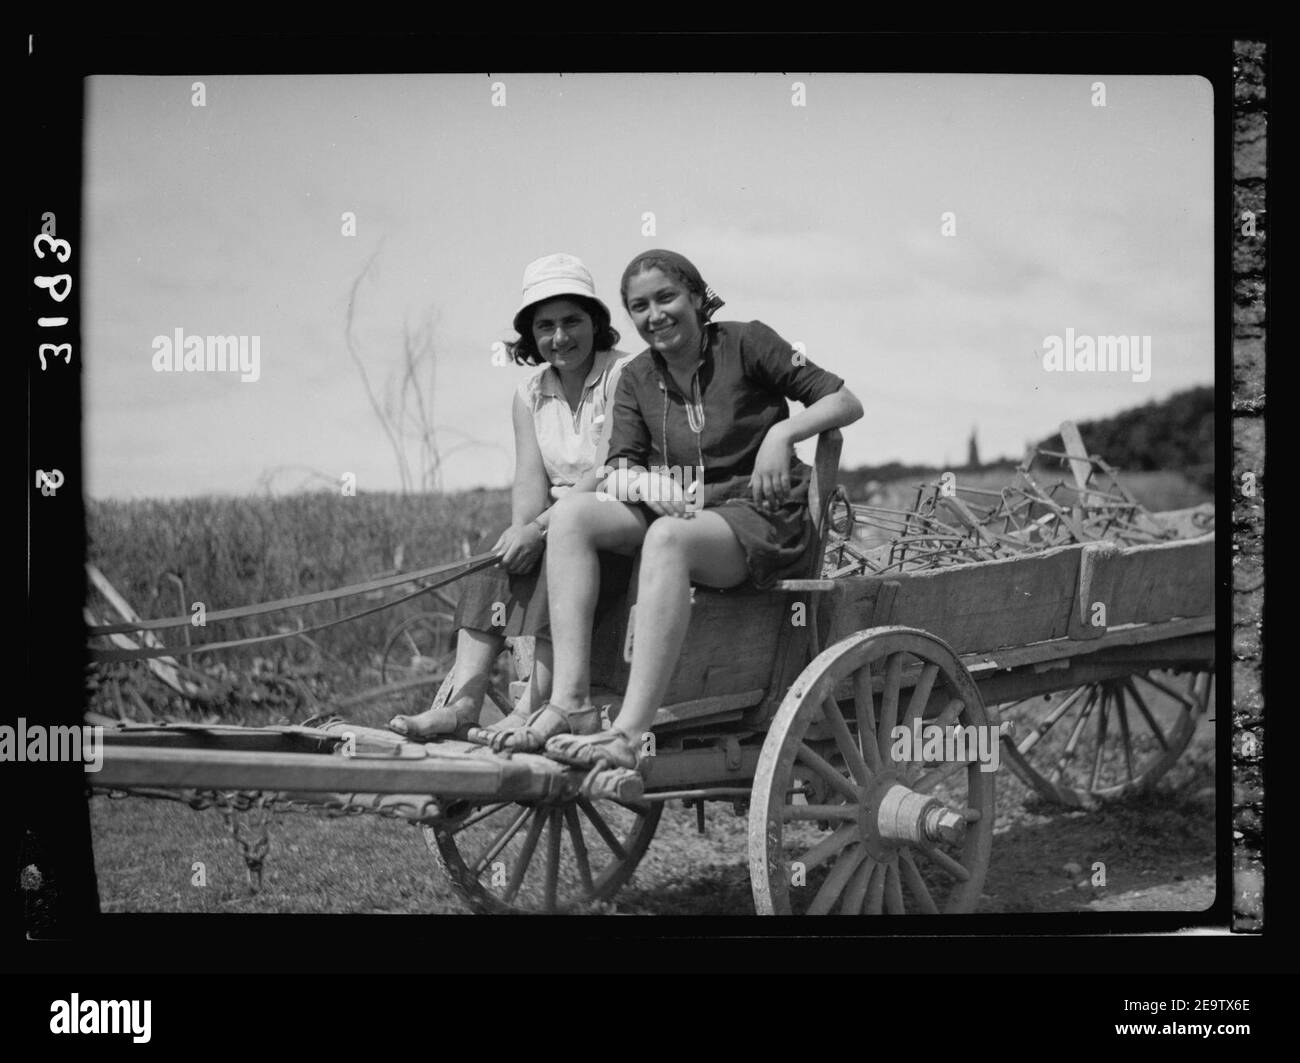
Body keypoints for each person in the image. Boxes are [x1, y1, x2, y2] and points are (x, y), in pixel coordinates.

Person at [488, 249, 864, 770]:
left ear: (696, 296)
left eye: (666, 297)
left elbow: (844, 401)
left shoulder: (747, 341)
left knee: (665, 539)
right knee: (573, 515)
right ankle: (569, 702)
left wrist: (783, 432)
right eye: (639, 306)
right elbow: (615, 465)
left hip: (760, 516)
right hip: (683, 511)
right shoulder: (637, 376)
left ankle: (627, 733)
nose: (655, 314)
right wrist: (641, 480)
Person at [389, 253, 634, 739]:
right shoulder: (529, 394)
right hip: (555, 517)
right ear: (531, 335)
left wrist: (543, 528)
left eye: (572, 322)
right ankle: (464, 702)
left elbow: (612, 466)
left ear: (596, 322)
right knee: (493, 553)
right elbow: (529, 479)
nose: (560, 337)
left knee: (563, 537)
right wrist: (524, 529)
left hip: (615, 512)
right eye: (546, 327)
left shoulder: (624, 375)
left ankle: (533, 706)